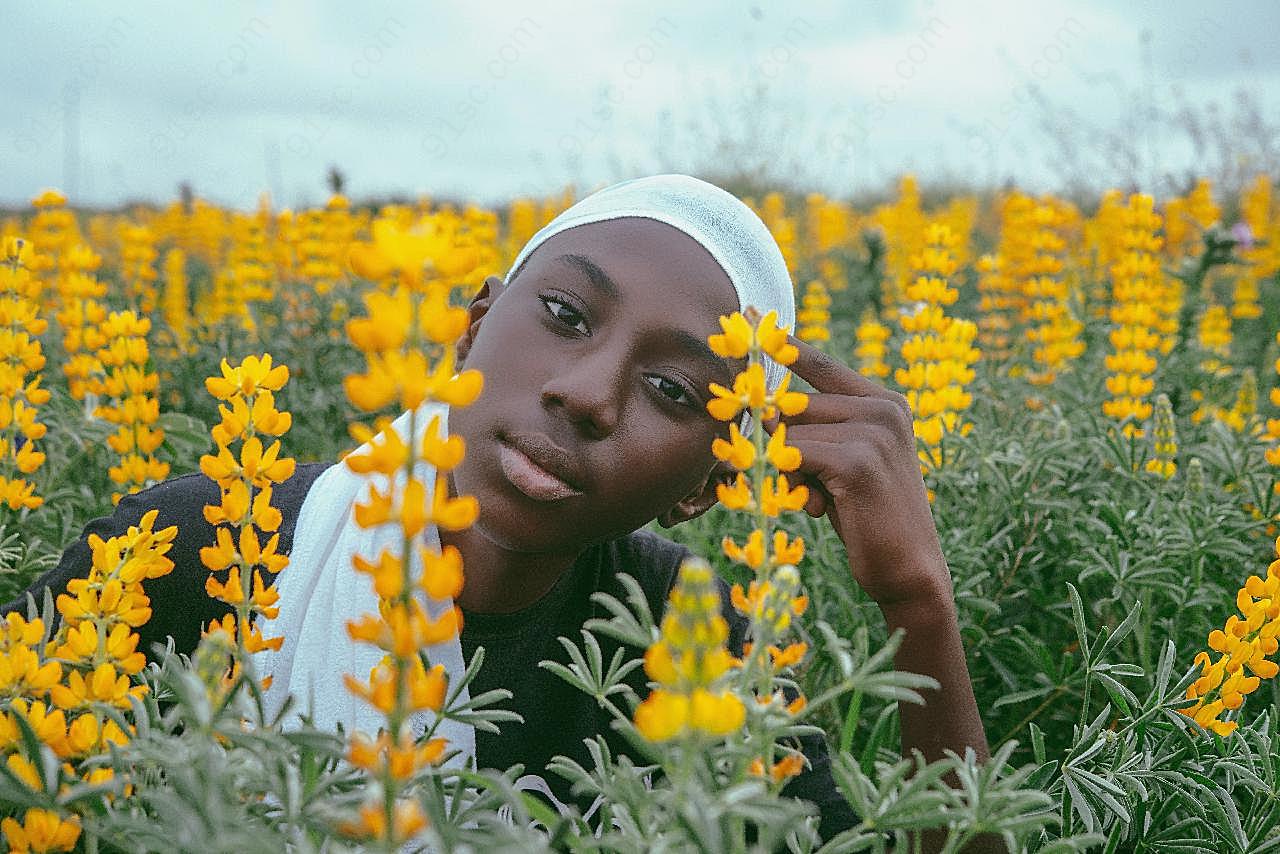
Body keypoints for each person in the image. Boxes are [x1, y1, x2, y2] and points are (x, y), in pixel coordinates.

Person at [3, 174, 988, 845]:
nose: (588, 393)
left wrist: (917, 606)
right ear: (472, 329)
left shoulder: (685, 636)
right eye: (564, 315)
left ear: (707, 483)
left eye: (673, 391)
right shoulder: (191, 544)